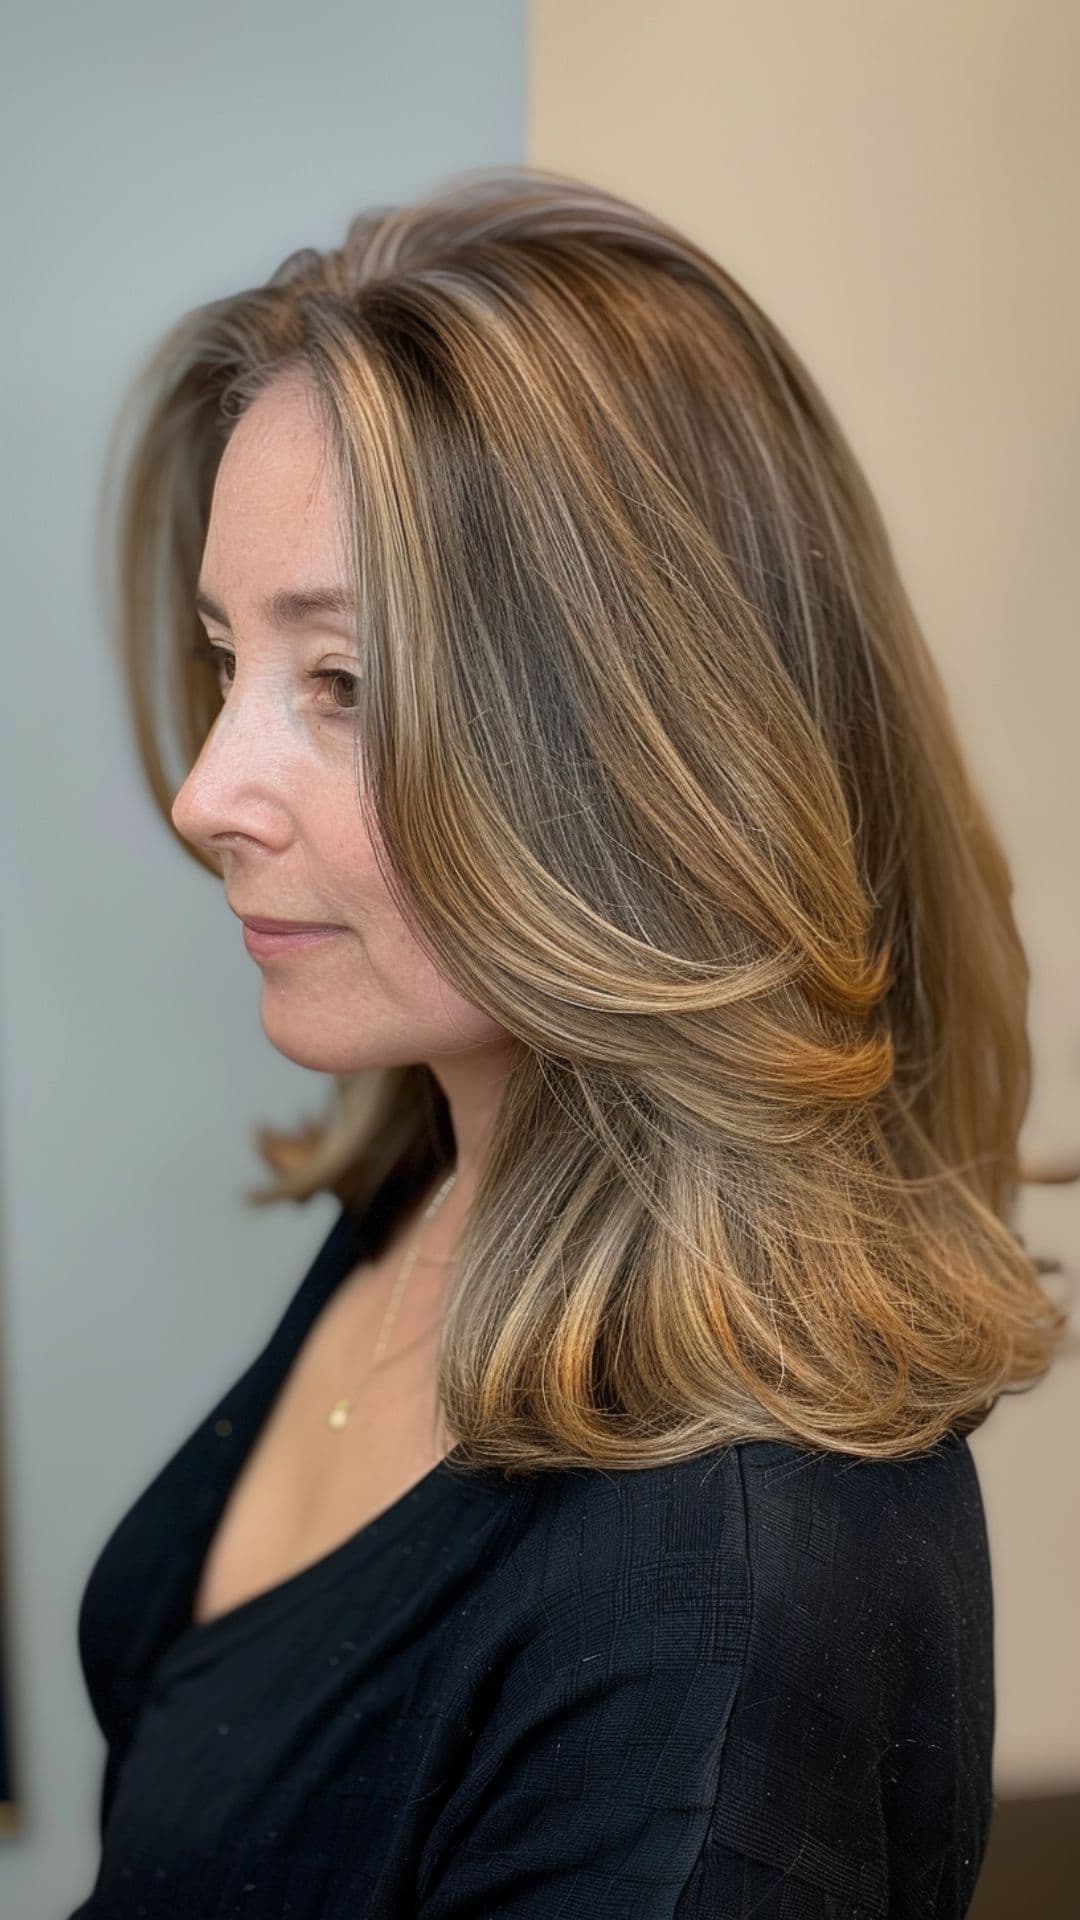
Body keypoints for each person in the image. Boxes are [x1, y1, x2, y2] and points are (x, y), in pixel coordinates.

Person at [70, 164, 1072, 1918]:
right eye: (231, 658)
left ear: (648, 753)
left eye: (346, 685)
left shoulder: (718, 1637)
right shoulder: (447, 1159)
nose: (204, 792)